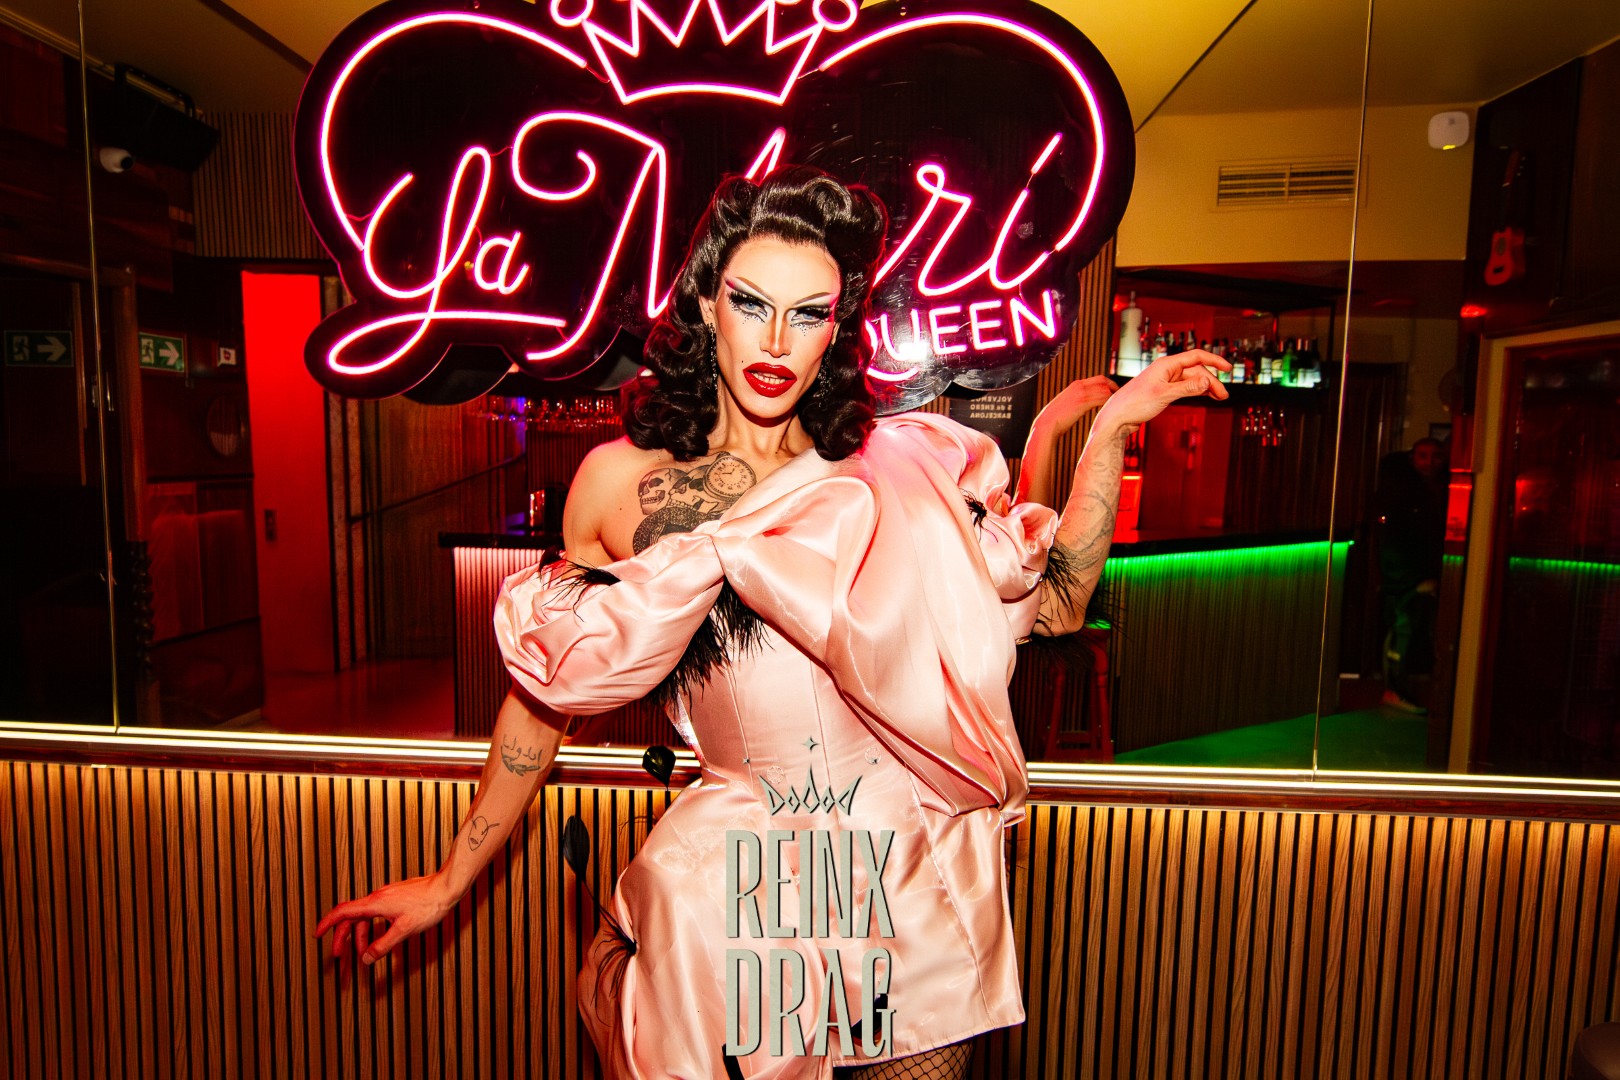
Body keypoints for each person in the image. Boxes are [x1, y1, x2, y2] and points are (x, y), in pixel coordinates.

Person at [314, 166, 1229, 1078]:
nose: (778, 340)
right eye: (752, 303)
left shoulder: (895, 470)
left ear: (836, 328)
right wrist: (451, 879)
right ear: (706, 305)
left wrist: (1110, 430)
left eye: (809, 313)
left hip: (900, 873)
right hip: (739, 889)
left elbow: (1057, 602)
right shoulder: (621, 485)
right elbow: (547, 697)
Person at [1371, 437, 1447, 713]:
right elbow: (1393, 539)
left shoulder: (1439, 489)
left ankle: (1404, 689)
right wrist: (1412, 578)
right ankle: (1395, 690)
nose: (1429, 462)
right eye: (1423, 455)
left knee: (1415, 632)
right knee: (1403, 631)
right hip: (1406, 577)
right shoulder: (1402, 489)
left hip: (1420, 574)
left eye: (1435, 456)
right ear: (1412, 458)